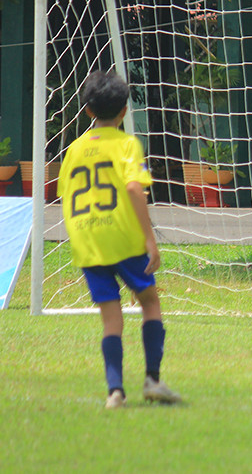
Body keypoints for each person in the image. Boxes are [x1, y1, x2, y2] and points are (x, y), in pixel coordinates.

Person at [57, 71, 181, 409]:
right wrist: (150, 239)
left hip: (88, 241)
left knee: (111, 318)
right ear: (124, 111)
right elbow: (132, 188)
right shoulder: (126, 144)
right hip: (122, 237)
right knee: (150, 301)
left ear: (87, 111)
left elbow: (65, 195)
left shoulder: (74, 149)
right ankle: (153, 380)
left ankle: (115, 392)